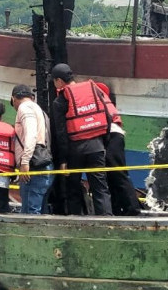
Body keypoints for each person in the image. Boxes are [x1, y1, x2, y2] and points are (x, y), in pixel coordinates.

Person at [51, 63, 112, 216]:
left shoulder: (60, 101)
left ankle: (75, 221)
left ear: (59, 81)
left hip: (74, 149)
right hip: (97, 146)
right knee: (100, 188)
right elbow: (108, 117)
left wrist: (63, 159)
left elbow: (61, 133)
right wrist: (103, 142)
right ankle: (107, 222)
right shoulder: (92, 90)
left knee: (73, 188)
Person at [96, 82, 142, 216]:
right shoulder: (103, 98)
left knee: (118, 173)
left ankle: (132, 208)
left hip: (111, 135)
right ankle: (120, 208)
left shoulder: (96, 98)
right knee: (113, 174)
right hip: (114, 134)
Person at [11, 84, 54, 214]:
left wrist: (24, 162)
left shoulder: (25, 108)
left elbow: (31, 134)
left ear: (13, 99)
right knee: (38, 211)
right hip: (44, 164)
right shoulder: (40, 111)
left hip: (34, 167)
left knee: (30, 213)